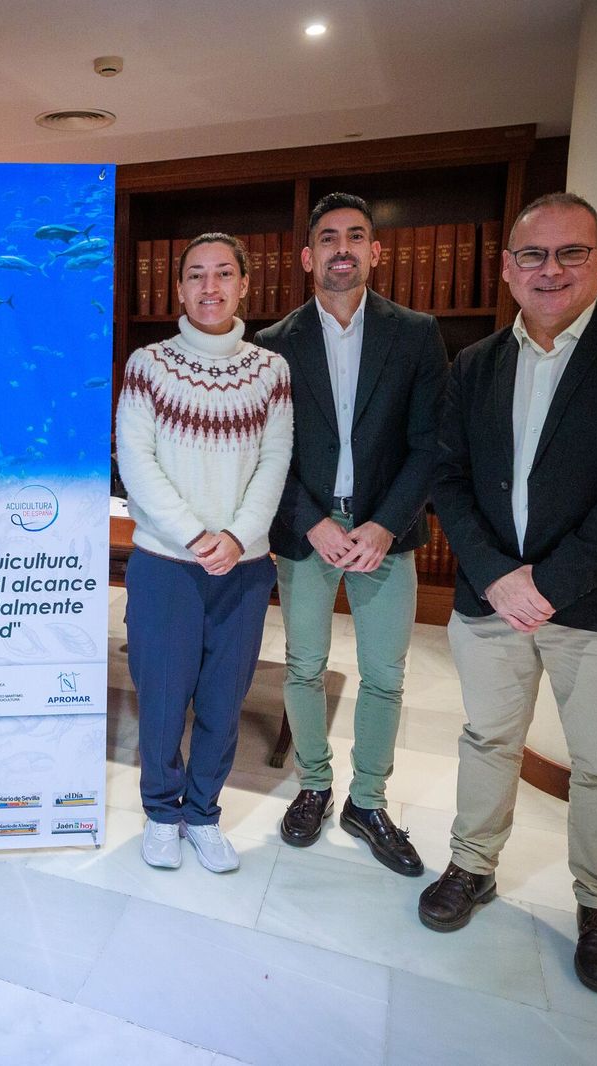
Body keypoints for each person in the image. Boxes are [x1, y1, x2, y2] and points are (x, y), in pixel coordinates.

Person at [421, 192, 597, 996]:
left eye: (570, 253)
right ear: (508, 269)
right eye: (533, 256)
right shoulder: (474, 364)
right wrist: (496, 575)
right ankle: (471, 866)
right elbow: (448, 476)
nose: (551, 271)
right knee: (486, 742)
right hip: (494, 602)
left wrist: (546, 585)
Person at [256, 193, 448, 876]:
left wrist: (382, 523)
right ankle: (313, 786)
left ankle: (368, 802)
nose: (343, 248)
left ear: (375, 251)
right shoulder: (272, 345)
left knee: (385, 675)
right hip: (307, 529)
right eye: (329, 238)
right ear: (309, 256)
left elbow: (430, 444)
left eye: (356, 236)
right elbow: (265, 453)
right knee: (304, 667)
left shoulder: (416, 333)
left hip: (382, 532)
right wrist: (309, 518)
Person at [115, 232, 293, 873]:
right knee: (162, 696)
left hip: (242, 570)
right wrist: (194, 537)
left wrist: (237, 538)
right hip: (167, 563)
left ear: (245, 284)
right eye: (196, 275)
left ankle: (203, 813)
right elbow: (136, 461)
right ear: (180, 287)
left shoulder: (271, 371)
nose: (209, 287)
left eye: (223, 274)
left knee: (224, 699)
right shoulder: (149, 365)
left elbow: (275, 462)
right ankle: (162, 812)